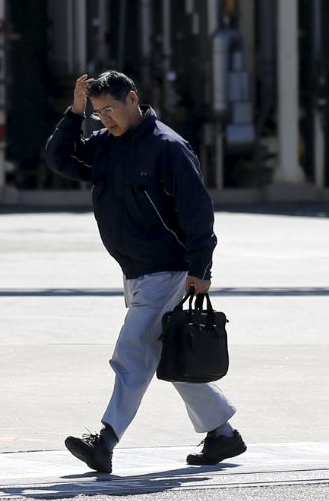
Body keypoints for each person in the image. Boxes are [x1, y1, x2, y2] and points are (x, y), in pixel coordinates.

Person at [44, 70, 245, 473]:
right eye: (99, 113)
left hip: (167, 271)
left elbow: (196, 211)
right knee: (172, 358)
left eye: (111, 110)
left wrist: (201, 268)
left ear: (133, 99)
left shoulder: (168, 148)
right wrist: (74, 113)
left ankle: (105, 440)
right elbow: (59, 159)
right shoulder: (104, 145)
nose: (106, 120)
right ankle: (222, 434)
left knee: (133, 353)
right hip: (135, 273)